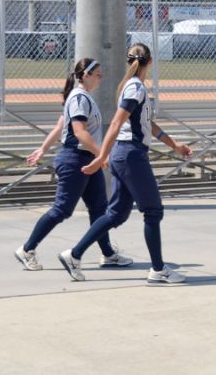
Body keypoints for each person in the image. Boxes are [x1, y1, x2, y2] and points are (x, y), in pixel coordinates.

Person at [58, 43, 192, 284]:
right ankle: (158, 269)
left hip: (127, 154)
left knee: (117, 213)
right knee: (153, 210)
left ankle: (74, 254)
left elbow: (149, 125)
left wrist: (175, 146)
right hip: (130, 155)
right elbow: (117, 123)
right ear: (150, 62)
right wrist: (101, 156)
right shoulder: (134, 88)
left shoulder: (135, 88)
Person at [13, 58, 132, 271]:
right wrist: (102, 155)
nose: (100, 78)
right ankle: (27, 249)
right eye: (98, 75)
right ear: (86, 75)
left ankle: (107, 254)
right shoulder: (79, 98)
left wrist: (43, 148)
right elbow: (79, 132)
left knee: (99, 208)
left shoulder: (81, 98)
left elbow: (61, 126)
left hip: (86, 159)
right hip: (75, 159)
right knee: (62, 209)